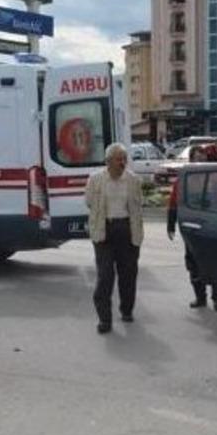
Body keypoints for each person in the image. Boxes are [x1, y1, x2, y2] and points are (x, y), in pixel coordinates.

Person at [84, 142, 145, 334]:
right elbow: (89, 202)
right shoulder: (95, 180)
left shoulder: (133, 180)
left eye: (124, 159)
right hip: (104, 230)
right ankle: (105, 320)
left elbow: (138, 206)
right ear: (108, 161)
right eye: (119, 159)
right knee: (105, 276)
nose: (123, 163)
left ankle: (126, 310)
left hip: (127, 229)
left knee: (128, 273)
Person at [167, 145, 217, 311]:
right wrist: (170, 225)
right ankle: (200, 297)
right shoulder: (185, 179)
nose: (200, 162)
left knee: (215, 264)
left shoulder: (215, 178)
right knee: (193, 264)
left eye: (203, 159)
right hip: (192, 228)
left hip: (212, 228)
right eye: (197, 159)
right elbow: (173, 202)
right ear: (191, 160)